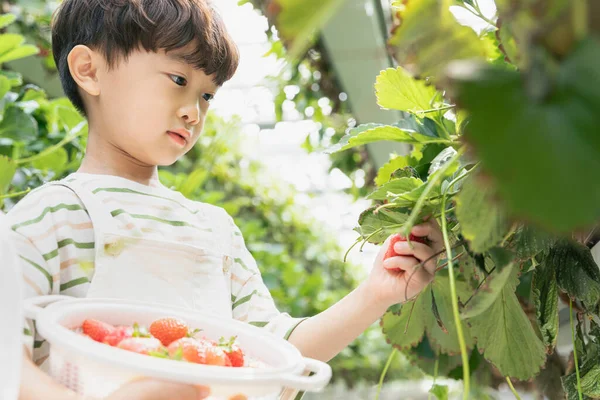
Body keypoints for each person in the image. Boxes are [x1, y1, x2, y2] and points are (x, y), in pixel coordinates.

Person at [5, 1, 444, 399]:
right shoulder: (52, 215)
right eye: (178, 79)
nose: (193, 111)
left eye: (207, 95)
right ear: (89, 71)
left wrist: (375, 294)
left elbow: (276, 353)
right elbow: (8, 359)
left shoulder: (214, 230)